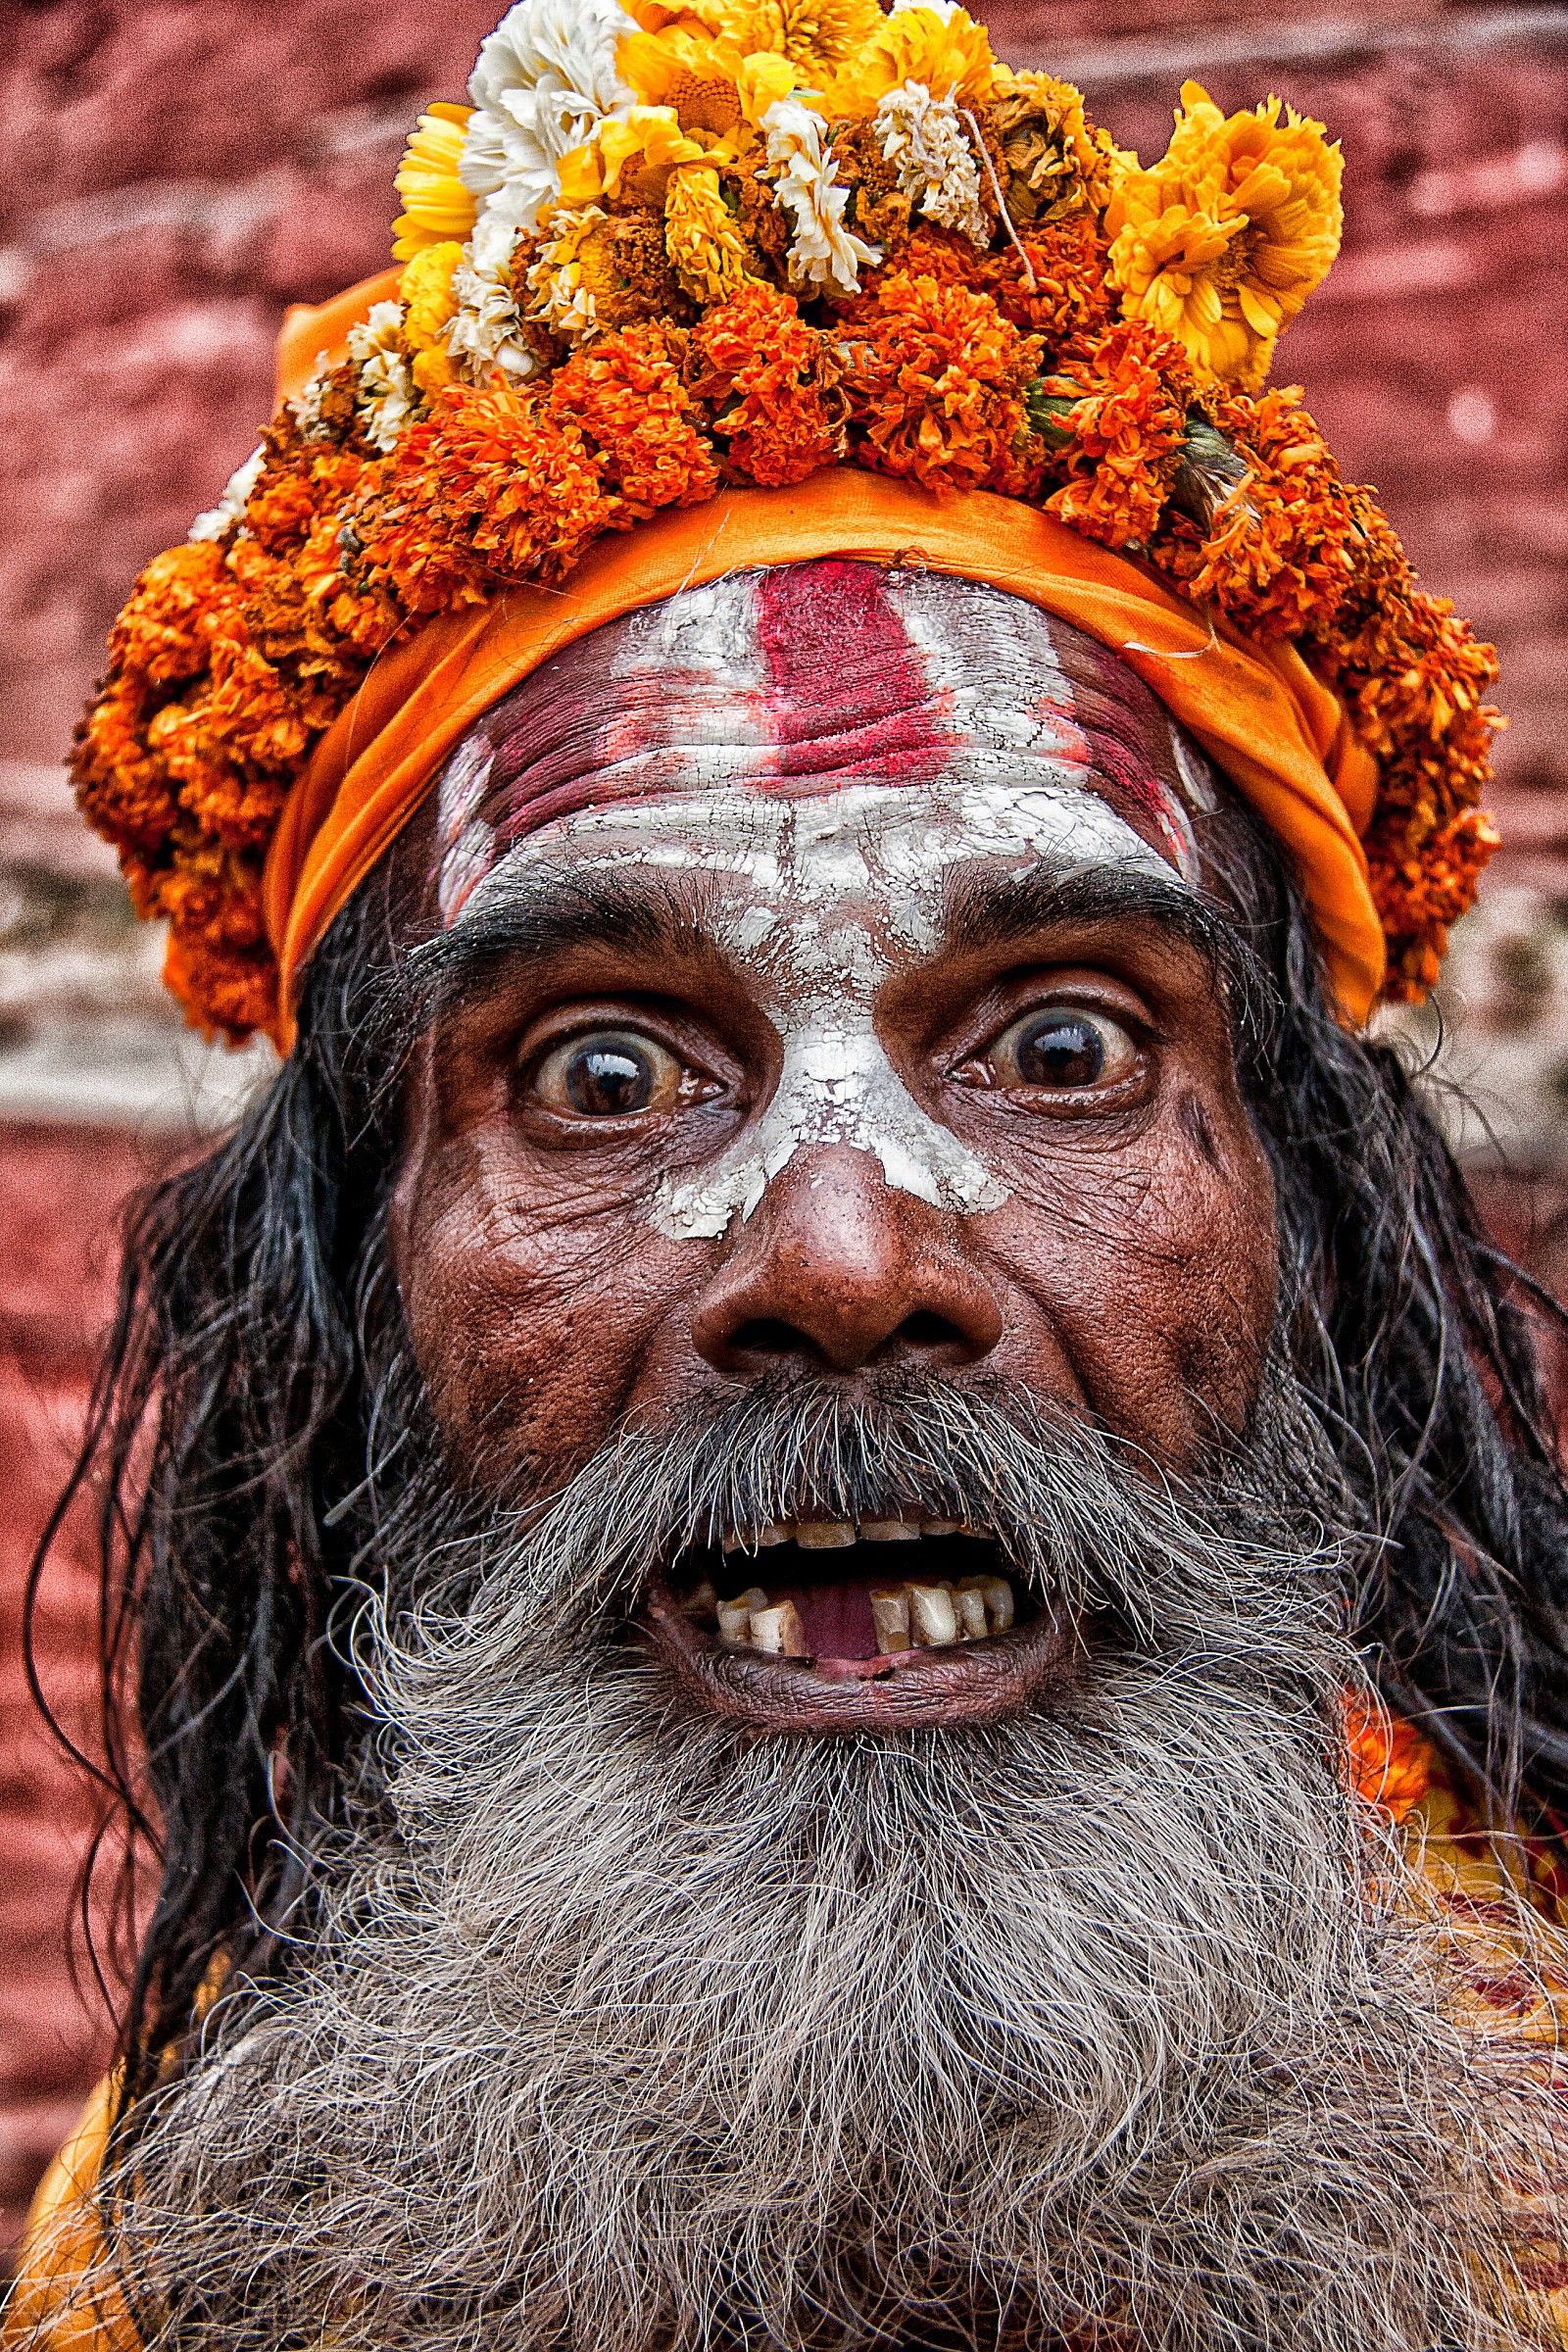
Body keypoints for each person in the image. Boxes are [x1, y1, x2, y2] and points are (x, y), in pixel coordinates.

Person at [8, 2, 1568, 2346]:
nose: (844, 1257)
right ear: (354, 1285)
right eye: (607, 1080)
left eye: (1060, 1045)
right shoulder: (181, 2275)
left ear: (1311, 1234)